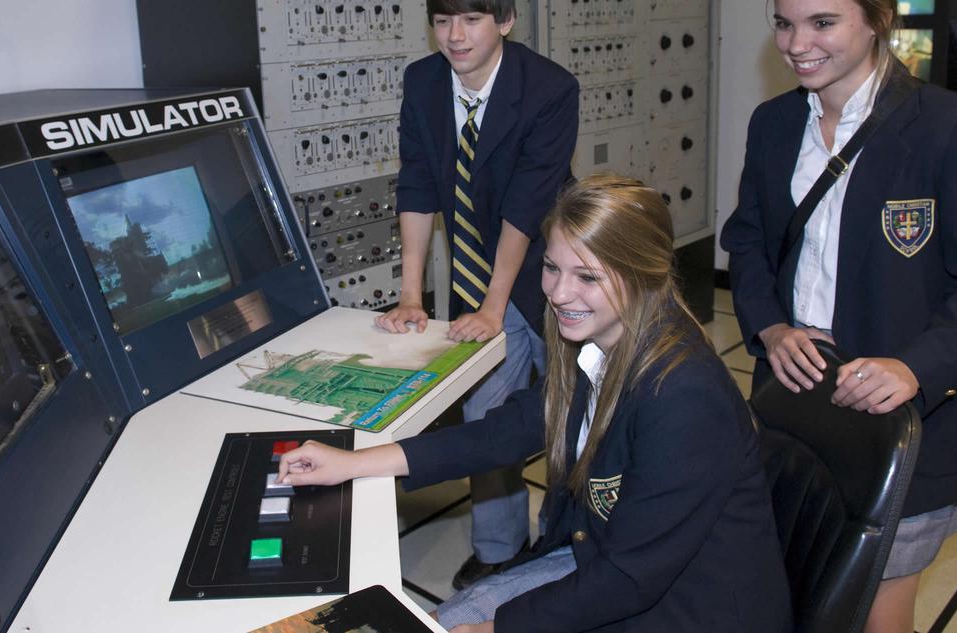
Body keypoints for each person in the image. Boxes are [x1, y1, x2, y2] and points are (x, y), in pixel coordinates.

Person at [282, 174, 793, 632]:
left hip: (689, 609)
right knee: (440, 619)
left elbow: (630, 579)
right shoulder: (598, 343)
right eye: (551, 267)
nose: (558, 292)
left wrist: (496, 630)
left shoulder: (683, 396)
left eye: (587, 276)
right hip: (608, 559)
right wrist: (357, 462)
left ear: (647, 274)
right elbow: (507, 429)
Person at [721, 0, 957, 633]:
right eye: (783, 22)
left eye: (822, 23)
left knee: (871, 619)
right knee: (790, 596)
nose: (798, 43)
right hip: (793, 409)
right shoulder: (773, 125)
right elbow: (746, 241)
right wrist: (770, 327)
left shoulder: (950, 129)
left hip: (903, 429)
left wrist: (913, 367)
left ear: (880, 17)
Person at [375, 0, 579, 589]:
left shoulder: (549, 89)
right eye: (442, 20)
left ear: (507, 21)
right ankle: (499, 552)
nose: (456, 36)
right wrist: (412, 294)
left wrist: (495, 309)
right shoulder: (424, 83)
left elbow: (527, 204)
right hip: (473, 275)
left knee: (581, 414)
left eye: (472, 19)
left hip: (550, 270)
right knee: (489, 420)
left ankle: (572, 540)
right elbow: (416, 186)